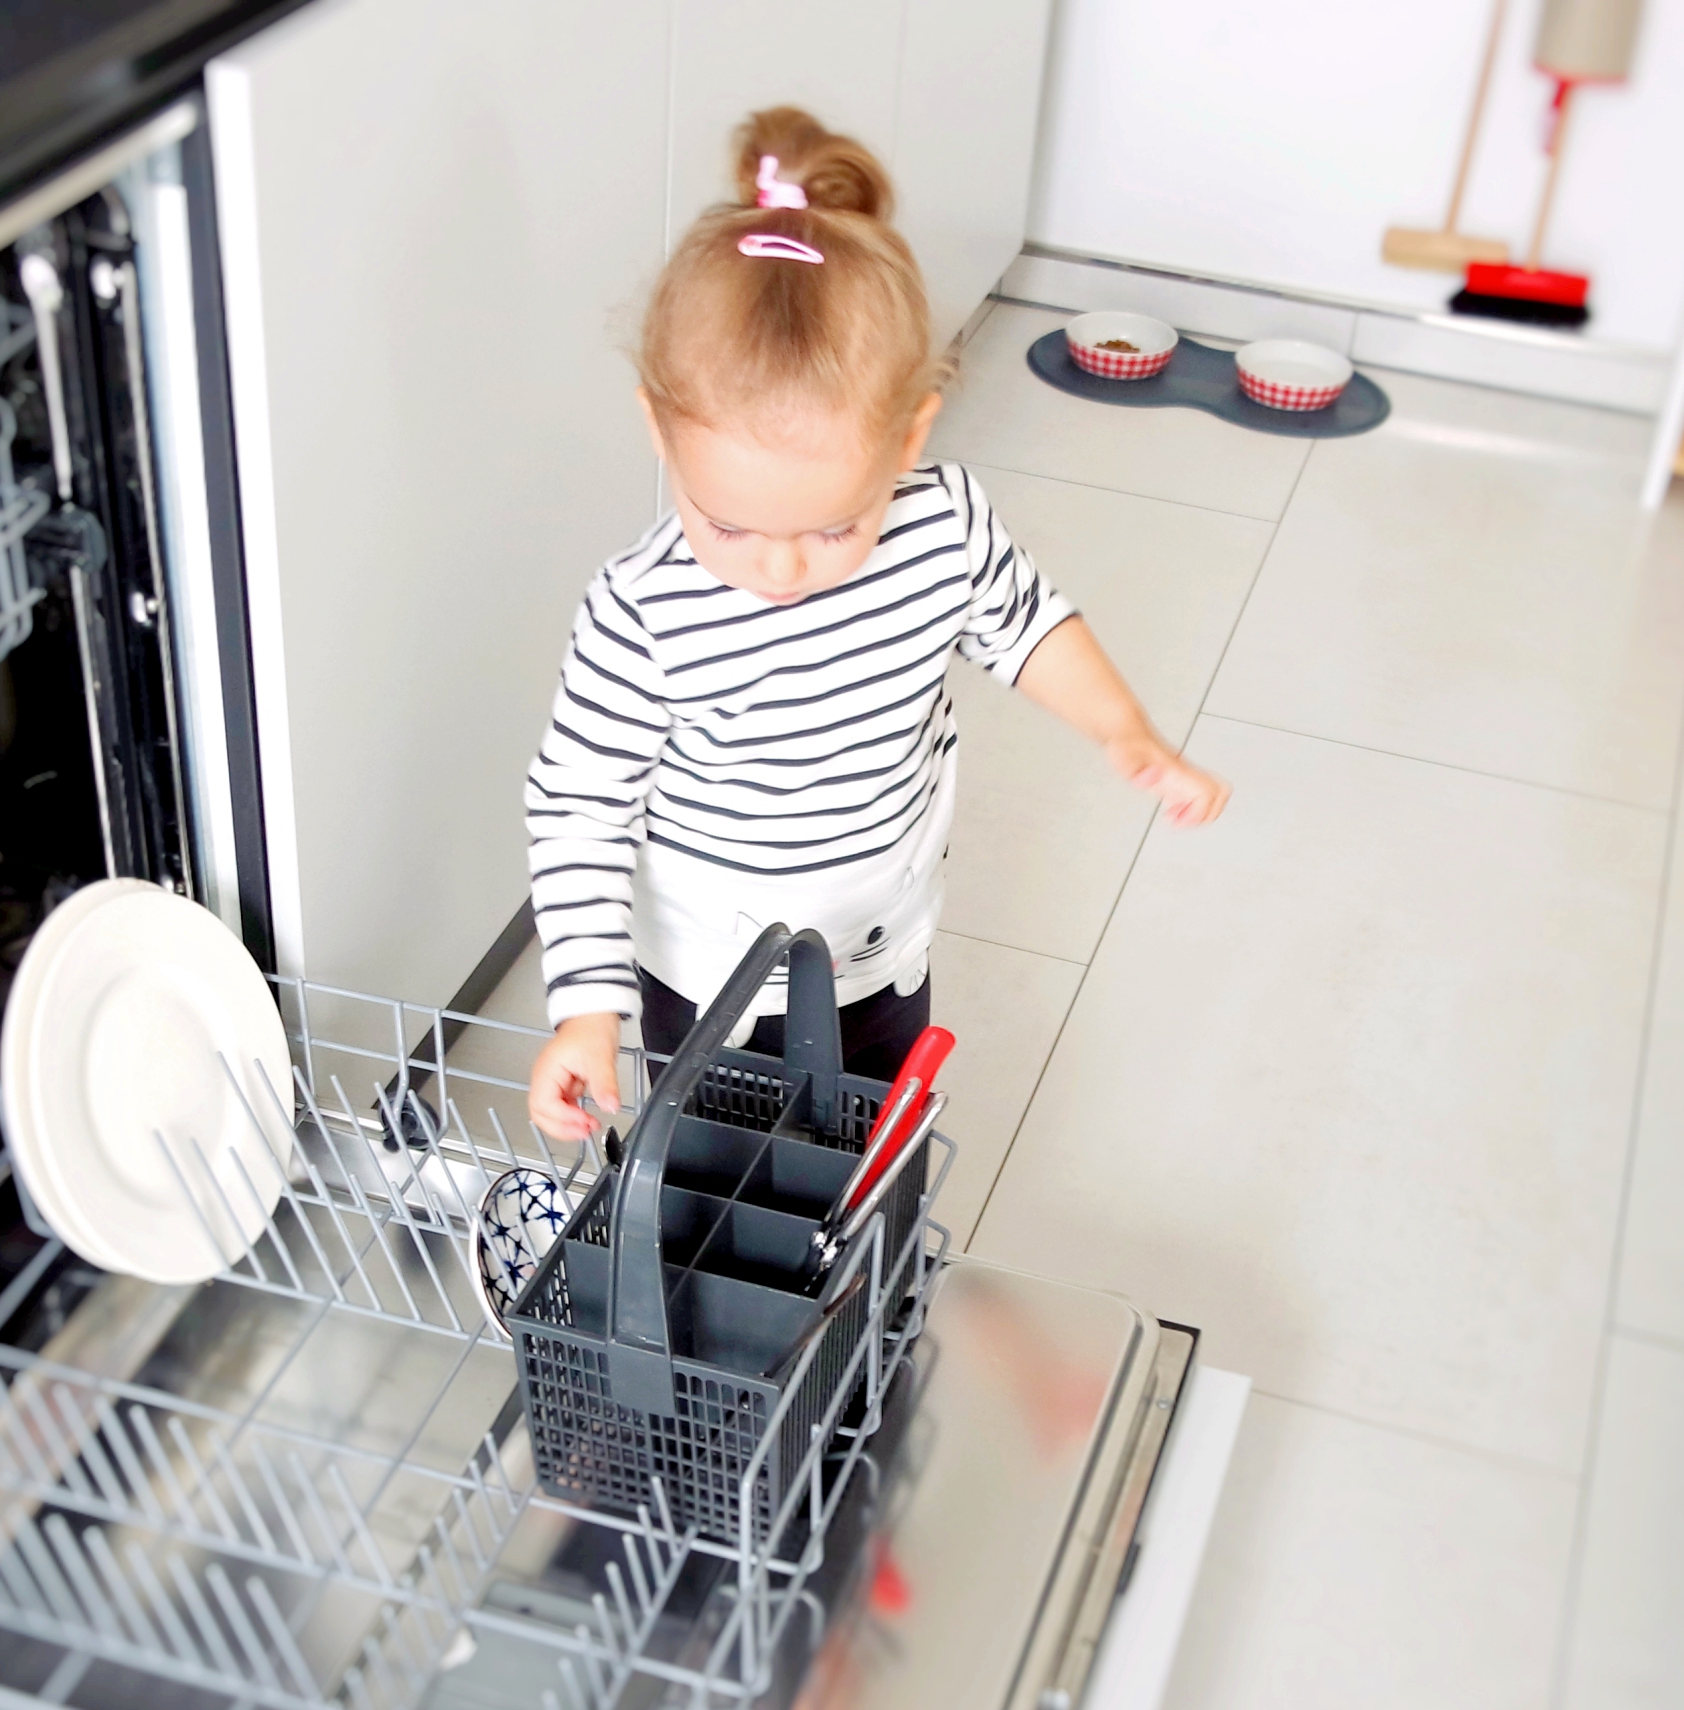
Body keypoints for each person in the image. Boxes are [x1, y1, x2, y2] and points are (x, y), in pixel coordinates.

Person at [525, 106, 1229, 1139]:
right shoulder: (642, 612)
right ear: (658, 433)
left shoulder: (939, 526)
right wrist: (587, 1014)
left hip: (885, 948)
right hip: (708, 980)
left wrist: (1124, 730)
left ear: (910, 441)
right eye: (725, 524)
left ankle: (868, 1281)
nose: (776, 569)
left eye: (830, 529)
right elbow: (578, 809)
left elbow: (1027, 627)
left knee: (871, 1151)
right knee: (718, 1186)